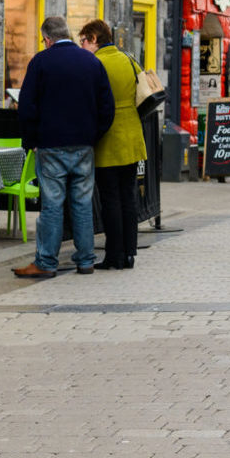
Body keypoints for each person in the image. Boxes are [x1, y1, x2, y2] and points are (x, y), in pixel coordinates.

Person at [12, 17, 114, 279]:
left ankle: (46, 262)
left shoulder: (41, 62)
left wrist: (30, 141)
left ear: (47, 39)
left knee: (53, 205)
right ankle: (86, 260)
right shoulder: (92, 62)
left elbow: (26, 107)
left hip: (50, 145)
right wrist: (93, 134)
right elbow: (107, 107)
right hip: (83, 145)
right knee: (82, 203)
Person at [80, 20, 144, 271]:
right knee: (129, 196)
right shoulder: (128, 59)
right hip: (132, 136)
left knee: (110, 199)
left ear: (95, 38)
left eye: (84, 40)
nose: (82, 46)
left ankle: (114, 254)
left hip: (109, 138)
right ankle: (129, 253)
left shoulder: (96, 64)